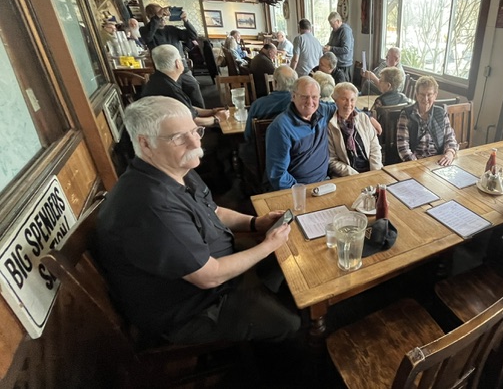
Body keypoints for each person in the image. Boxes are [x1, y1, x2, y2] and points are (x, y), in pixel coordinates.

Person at [93, 96, 301, 344]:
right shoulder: (149, 206)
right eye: (179, 137)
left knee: (288, 259)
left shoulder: (177, 169)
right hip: (192, 309)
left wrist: (255, 223)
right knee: (291, 324)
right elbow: (209, 276)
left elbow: (215, 212)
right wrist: (267, 245)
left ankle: (267, 301)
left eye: (195, 130)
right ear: (145, 143)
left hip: (215, 268)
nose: (195, 142)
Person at [265, 76, 337, 190]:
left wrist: (365, 116)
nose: (310, 102)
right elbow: (278, 175)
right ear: (293, 96)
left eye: (314, 97)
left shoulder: (322, 111)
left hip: (325, 184)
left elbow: (344, 107)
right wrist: (300, 191)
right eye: (304, 97)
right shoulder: (280, 128)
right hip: (297, 189)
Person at [141, 45, 228, 127]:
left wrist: (212, 111)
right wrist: (216, 118)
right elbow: (190, 121)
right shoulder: (169, 90)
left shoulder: (158, 80)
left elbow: (185, 108)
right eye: (181, 59)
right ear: (177, 63)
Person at [139, 3, 204, 109]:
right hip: (166, 72)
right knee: (176, 98)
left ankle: (202, 114)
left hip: (182, 68)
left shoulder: (171, 29)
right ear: (151, 16)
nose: (163, 17)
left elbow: (193, 36)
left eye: (163, 14)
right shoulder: (145, 30)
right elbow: (147, 38)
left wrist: (186, 21)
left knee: (194, 87)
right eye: (159, 14)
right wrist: (158, 17)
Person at [396, 75, 458, 165]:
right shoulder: (406, 114)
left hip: (438, 161)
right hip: (414, 162)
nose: (425, 99)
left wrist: (450, 153)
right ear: (417, 95)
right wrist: (416, 164)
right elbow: (402, 147)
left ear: (435, 95)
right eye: (422, 94)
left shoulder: (441, 113)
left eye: (429, 95)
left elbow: (450, 138)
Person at [328, 82, 382, 177]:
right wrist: (355, 176)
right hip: (346, 175)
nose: (349, 104)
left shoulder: (363, 118)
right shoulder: (330, 125)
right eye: (344, 99)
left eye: (352, 100)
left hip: (371, 170)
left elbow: (375, 148)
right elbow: (332, 160)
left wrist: (375, 172)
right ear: (335, 100)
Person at [323, 12, 354, 81]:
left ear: (337, 21)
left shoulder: (345, 30)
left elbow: (346, 49)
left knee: (343, 85)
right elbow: (330, 44)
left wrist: (331, 48)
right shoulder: (334, 31)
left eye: (331, 23)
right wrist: (326, 47)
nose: (331, 26)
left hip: (344, 65)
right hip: (335, 63)